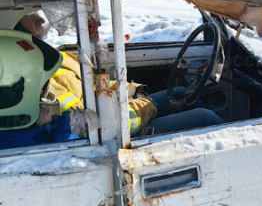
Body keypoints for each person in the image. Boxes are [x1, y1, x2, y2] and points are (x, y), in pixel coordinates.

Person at [0, 12, 222, 148]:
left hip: (108, 119)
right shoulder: (29, 96)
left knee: (181, 92)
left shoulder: (46, 60)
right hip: (113, 137)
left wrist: (132, 90)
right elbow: (92, 128)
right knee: (206, 117)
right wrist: (147, 107)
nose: (41, 18)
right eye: (30, 14)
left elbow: (95, 88)